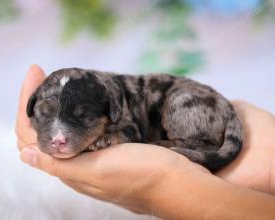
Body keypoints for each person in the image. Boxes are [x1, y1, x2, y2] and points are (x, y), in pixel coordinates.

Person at [16, 65, 275, 219]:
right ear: (33, 106)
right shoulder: (98, 94)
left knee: (178, 104)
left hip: (195, 105)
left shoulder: (113, 102)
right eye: (44, 114)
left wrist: (160, 188)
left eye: (83, 118)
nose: (58, 137)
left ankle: (200, 145)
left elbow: (127, 129)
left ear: (111, 110)